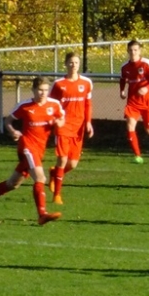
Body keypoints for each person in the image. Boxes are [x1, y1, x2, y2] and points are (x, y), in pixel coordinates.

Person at [0, 76, 64, 225]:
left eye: (46, 90)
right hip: (26, 146)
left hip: (40, 149)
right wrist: (13, 131)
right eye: (40, 90)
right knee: (40, 178)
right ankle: (42, 214)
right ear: (33, 90)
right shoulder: (24, 106)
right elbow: (8, 121)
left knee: (13, 184)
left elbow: (62, 119)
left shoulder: (54, 105)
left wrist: (58, 123)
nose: (43, 93)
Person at [49, 52, 94, 204]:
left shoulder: (86, 83)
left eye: (76, 62)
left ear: (79, 64)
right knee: (62, 159)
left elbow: (88, 104)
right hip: (63, 126)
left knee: (72, 164)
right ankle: (57, 195)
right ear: (66, 64)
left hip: (78, 127)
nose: (73, 65)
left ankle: (55, 173)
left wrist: (88, 122)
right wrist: (55, 121)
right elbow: (51, 105)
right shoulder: (59, 84)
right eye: (71, 62)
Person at [120, 39, 149, 163]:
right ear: (127, 51)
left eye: (135, 50)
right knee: (130, 126)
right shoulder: (125, 67)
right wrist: (122, 90)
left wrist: (146, 88)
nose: (133, 52)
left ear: (139, 51)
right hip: (133, 102)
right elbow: (122, 79)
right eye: (131, 50)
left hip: (148, 102)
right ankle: (137, 156)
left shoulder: (146, 63)